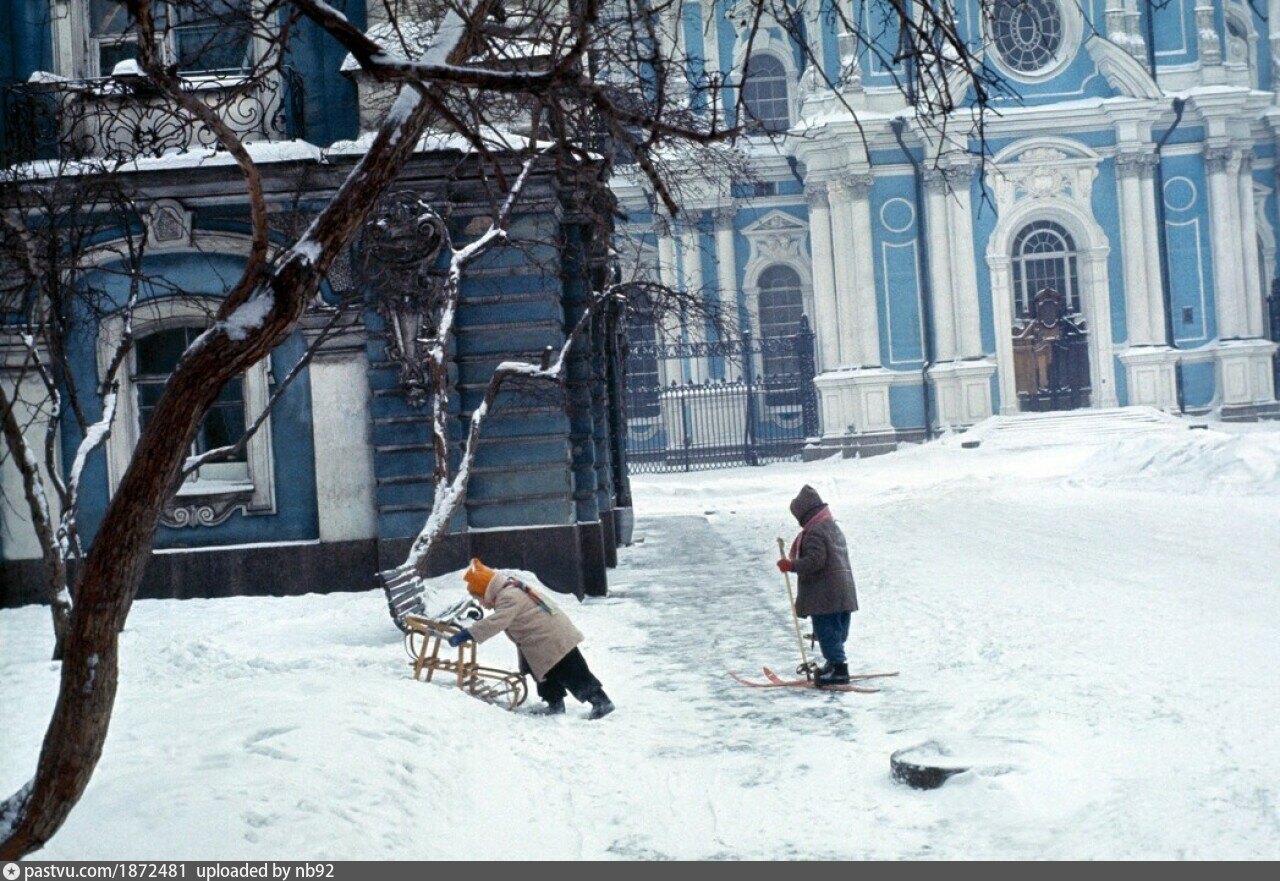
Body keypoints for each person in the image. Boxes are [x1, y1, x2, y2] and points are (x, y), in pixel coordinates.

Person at [448, 558, 615, 719]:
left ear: (485, 591)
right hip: (544, 640)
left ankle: (601, 702)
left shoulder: (508, 596)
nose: (481, 604)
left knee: (573, 673)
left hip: (551, 639)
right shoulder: (511, 588)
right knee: (545, 672)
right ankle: (554, 703)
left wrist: (469, 633)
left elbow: (497, 622)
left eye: (478, 599)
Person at [777, 485, 859, 687]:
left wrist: (792, 565)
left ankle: (839, 669)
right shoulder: (832, 527)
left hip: (825, 594)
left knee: (826, 630)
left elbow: (816, 560)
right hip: (843, 590)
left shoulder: (814, 532)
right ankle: (833, 664)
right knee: (837, 630)